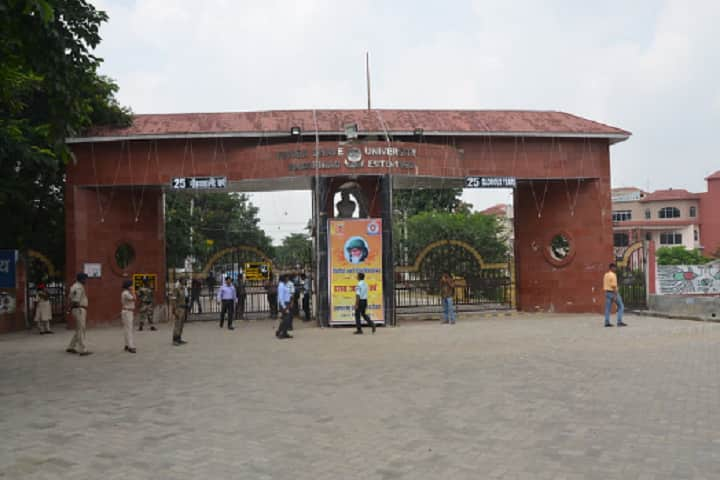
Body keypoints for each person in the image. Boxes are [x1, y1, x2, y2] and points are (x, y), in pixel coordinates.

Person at [66, 273, 92, 356]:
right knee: (81, 329)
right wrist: (77, 307)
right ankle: (83, 349)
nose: (86, 281)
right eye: (85, 279)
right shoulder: (78, 287)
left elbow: (70, 297)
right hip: (79, 309)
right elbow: (75, 300)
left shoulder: (74, 286)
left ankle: (71, 346)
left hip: (77, 309)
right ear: (81, 279)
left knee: (78, 329)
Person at [603, 263, 627, 327]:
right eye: (615, 267)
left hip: (607, 292)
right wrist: (615, 295)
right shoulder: (613, 275)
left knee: (607, 308)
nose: (615, 269)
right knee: (621, 306)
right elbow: (613, 286)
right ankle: (619, 321)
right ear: (612, 268)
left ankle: (606, 322)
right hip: (613, 292)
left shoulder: (606, 275)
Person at [120, 280, 137, 353]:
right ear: (128, 286)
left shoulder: (125, 293)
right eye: (131, 285)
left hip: (127, 311)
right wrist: (133, 291)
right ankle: (131, 346)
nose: (132, 286)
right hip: (128, 312)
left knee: (126, 329)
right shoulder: (126, 293)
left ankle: (127, 345)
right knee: (129, 329)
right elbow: (134, 298)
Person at [171, 278, 189, 345]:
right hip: (178, 308)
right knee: (177, 324)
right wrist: (174, 309)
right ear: (181, 281)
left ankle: (179, 338)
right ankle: (175, 340)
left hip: (183, 308)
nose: (185, 281)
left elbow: (185, 299)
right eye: (184, 280)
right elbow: (173, 299)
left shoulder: (184, 289)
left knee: (181, 325)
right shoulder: (176, 289)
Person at [275, 274, 292, 339]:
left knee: (285, 319)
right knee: (287, 319)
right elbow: (281, 297)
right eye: (287, 278)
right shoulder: (281, 286)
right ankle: (282, 333)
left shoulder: (283, 285)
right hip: (284, 304)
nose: (288, 279)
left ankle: (281, 332)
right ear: (284, 279)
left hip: (286, 303)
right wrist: (284, 307)